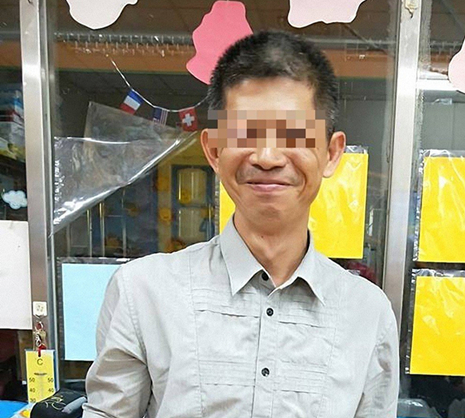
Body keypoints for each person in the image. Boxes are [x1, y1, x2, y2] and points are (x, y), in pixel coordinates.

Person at [83, 30, 399, 418]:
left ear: (331, 154)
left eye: (292, 134)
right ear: (214, 150)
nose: (267, 157)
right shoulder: (142, 293)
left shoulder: (368, 314)